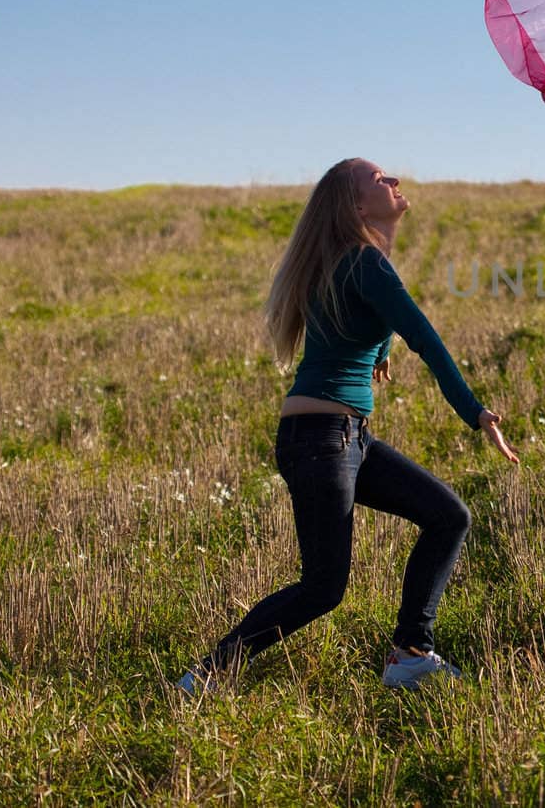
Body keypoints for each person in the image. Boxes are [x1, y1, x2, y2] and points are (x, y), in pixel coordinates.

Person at [176, 158, 517, 695]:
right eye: (381, 180)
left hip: (342, 438)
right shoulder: (362, 262)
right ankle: (208, 674)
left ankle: (410, 652)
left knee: (448, 515)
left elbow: (374, 322)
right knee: (323, 588)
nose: (395, 181)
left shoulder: (351, 261)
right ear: (357, 206)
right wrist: (475, 413)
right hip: (324, 440)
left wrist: (378, 348)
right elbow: (424, 338)